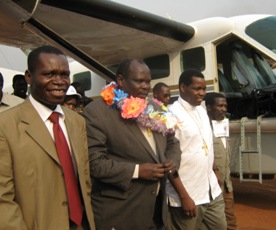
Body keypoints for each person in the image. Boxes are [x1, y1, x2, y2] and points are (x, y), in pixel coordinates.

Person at [0, 45, 95, 230]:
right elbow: (3, 200)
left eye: (64, 75)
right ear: (29, 76)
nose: (59, 81)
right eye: (49, 74)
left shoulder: (77, 122)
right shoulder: (6, 125)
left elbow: (84, 180)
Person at [82, 58, 181, 230]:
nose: (146, 86)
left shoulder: (155, 108)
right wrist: (137, 171)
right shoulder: (96, 112)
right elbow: (94, 163)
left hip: (156, 212)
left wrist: (172, 161)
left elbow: (172, 141)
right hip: (121, 213)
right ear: (120, 80)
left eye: (148, 82)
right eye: (139, 81)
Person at [166, 69, 227, 230]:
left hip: (211, 189)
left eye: (204, 89)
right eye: (197, 89)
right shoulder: (172, 115)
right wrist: (184, 197)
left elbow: (205, 143)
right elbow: (168, 162)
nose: (202, 93)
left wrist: (215, 171)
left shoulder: (201, 110)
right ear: (183, 87)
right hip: (188, 194)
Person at [205, 92, 238, 230]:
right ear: (209, 107)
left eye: (225, 105)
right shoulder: (203, 128)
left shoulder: (223, 125)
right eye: (220, 106)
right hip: (211, 185)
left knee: (231, 219)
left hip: (226, 183)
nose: (224, 109)